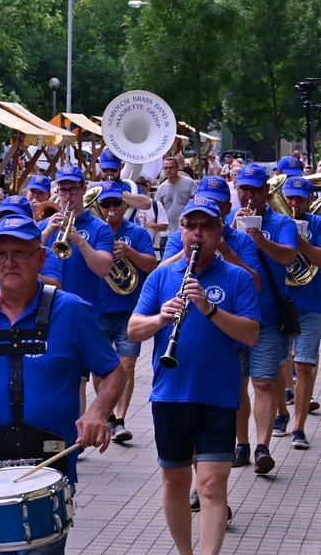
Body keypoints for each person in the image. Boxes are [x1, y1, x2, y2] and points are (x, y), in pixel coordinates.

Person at [0, 215, 125, 555]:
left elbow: (113, 371)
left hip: (50, 467)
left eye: (20, 253)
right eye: (1, 254)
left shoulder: (72, 311)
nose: (9, 262)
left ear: (41, 257)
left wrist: (98, 411)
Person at [128, 197, 260, 555]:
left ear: (219, 233)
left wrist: (209, 308)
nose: (197, 234)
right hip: (169, 395)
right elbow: (133, 330)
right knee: (174, 483)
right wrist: (160, 319)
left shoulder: (237, 278)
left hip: (218, 395)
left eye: (206, 226)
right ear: (181, 231)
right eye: (190, 226)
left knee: (212, 486)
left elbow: (251, 334)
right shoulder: (161, 276)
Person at [227, 163, 297, 474]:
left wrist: (261, 241)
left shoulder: (282, 222)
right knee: (236, 385)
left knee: (264, 382)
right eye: (244, 189)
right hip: (234, 318)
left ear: (266, 191)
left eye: (255, 189)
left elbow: (288, 256)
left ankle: (262, 447)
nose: (249, 195)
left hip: (268, 318)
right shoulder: (227, 221)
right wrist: (231, 231)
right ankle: (241, 444)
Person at [94, 182, 157, 443]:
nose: (111, 209)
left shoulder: (137, 232)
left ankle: (120, 420)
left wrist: (129, 253)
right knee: (99, 368)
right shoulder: (94, 231)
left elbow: (152, 265)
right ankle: (107, 415)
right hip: (98, 309)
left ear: (124, 205)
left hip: (129, 310)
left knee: (127, 365)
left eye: (116, 203)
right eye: (105, 204)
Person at [38, 165, 113, 315]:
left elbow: (103, 270)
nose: (67, 196)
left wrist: (80, 241)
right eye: (63, 190)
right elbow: (25, 258)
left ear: (84, 189)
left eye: (73, 189)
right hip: (47, 309)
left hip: (85, 309)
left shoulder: (101, 228)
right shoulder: (43, 226)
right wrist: (46, 233)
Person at [280, 176, 321, 450]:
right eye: (290, 198)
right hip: (280, 303)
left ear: (309, 200)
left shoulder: (318, 223)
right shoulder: (277, 223)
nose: (294, 203)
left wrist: (301, 244)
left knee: (304, 365)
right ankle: (281, 412)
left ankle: (299, 428)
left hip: (312, 303)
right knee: (276, 364)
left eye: (300, 198)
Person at [155, 157, 197, 238]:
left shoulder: (189, 183)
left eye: (171, 167)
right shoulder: (161, 188)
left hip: (187, 229)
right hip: (168, 232)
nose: (168, 170)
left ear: (177, 168)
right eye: (166, 168)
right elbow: (158, 209)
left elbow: (197, 203)